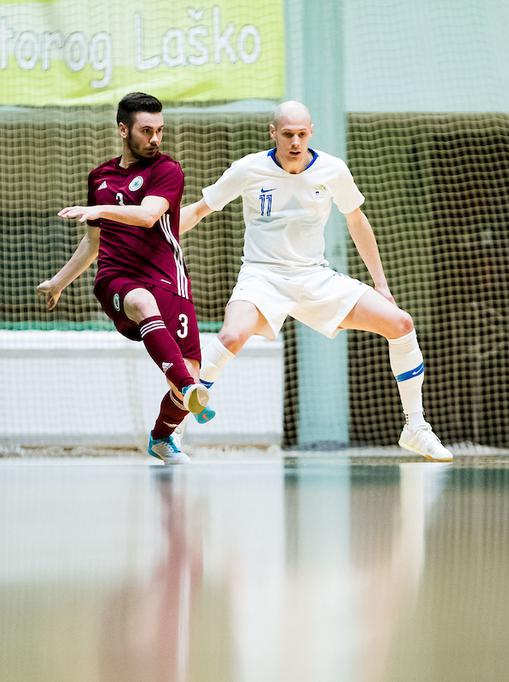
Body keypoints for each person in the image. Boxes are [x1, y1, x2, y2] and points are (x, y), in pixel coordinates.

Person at [179, 100, 452, 462]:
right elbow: (199, 211)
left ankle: (415, 427)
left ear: (311, 133)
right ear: (272, 132)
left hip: (314, 277)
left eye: (302, 134)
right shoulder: (248, 169)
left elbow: (356, 220)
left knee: (401, 323)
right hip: (262, 276)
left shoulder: (333, 170)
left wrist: (381, 284)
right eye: (288, 134)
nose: (295, 141)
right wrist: (148, 233)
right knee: (230, 336)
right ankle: (174, 427)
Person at [36, 92, 212, 464]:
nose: (155, 138)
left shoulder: (168, 170)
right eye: (146, 130)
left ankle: (162, 437)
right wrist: (59, 282)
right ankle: (188, 387)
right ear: (123, 129)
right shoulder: (100, 176)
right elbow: (94, 241)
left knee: (188, 373)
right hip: (117, 278)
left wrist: (98, 208)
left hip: (168, 278)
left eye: (160, 130)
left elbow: (149, 216)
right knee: (141, 304)